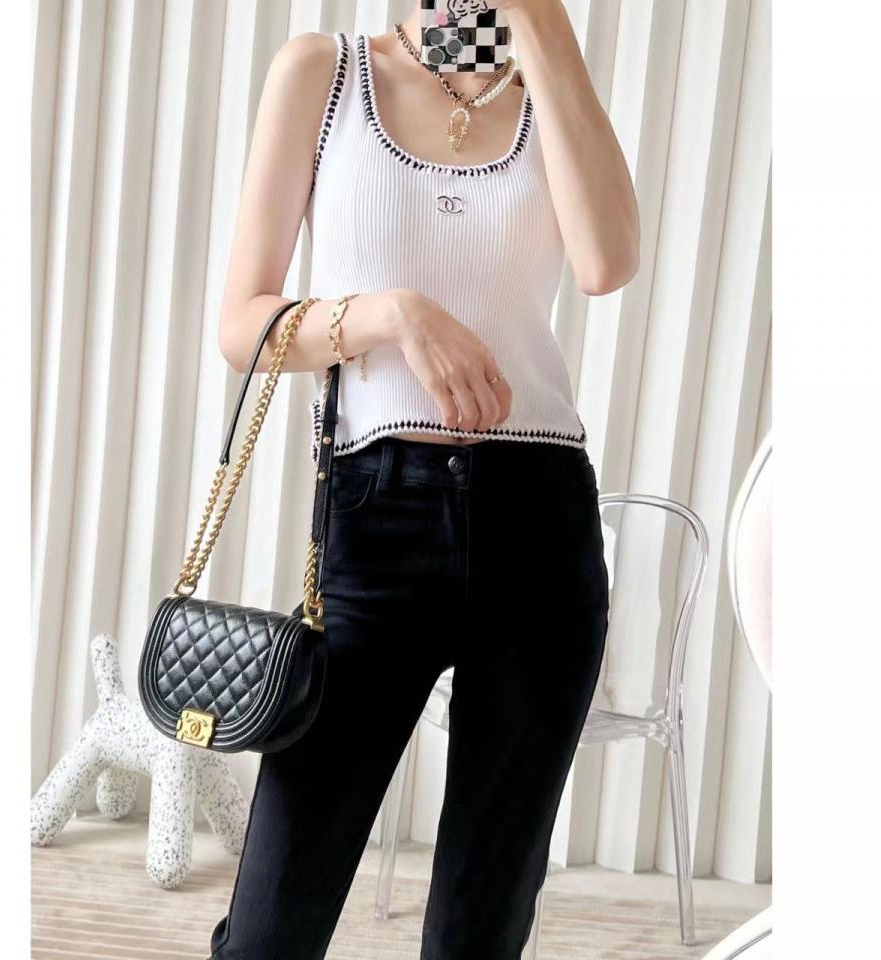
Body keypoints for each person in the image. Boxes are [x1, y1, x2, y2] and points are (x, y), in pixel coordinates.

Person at [210, 2, 639, 957]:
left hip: (540, 521)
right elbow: (243, 324)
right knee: (272, 926)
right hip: (378, 513)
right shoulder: (325, 73)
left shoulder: (548, 88)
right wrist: (392, 315)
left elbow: (607, 263)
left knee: (479, 928)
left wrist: (542, 26)